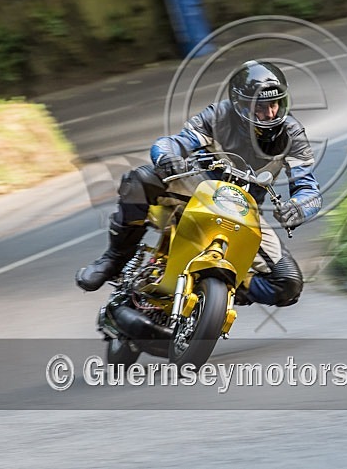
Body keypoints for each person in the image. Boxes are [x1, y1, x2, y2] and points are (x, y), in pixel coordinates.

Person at [76, 60, 322, 306]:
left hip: (244, 209)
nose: (270, 114)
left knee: (288, 285)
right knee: (140, 180)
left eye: (275, 104)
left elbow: (308, 189)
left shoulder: (292, 133)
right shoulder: (218, 115)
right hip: (198, 188)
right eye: (260, 106)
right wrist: (167, 157)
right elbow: (171, 143)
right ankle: (114, 258)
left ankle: (222, 290)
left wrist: (299, 207)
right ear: (240, 105)